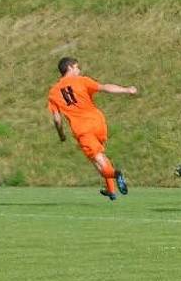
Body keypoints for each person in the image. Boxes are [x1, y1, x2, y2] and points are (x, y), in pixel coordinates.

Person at [47, 57, 137, 201]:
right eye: (77, 67)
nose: (79, 70)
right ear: (69, 68)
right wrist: (126, 90)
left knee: (99, 163)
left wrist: (61, 135)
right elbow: (105, 87)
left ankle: (116, 174)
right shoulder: (82, 80)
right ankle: (111, 191)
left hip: (82, 129)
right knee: (101, 156)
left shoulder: (53, 92)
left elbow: (57, 119)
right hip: (98, 122)